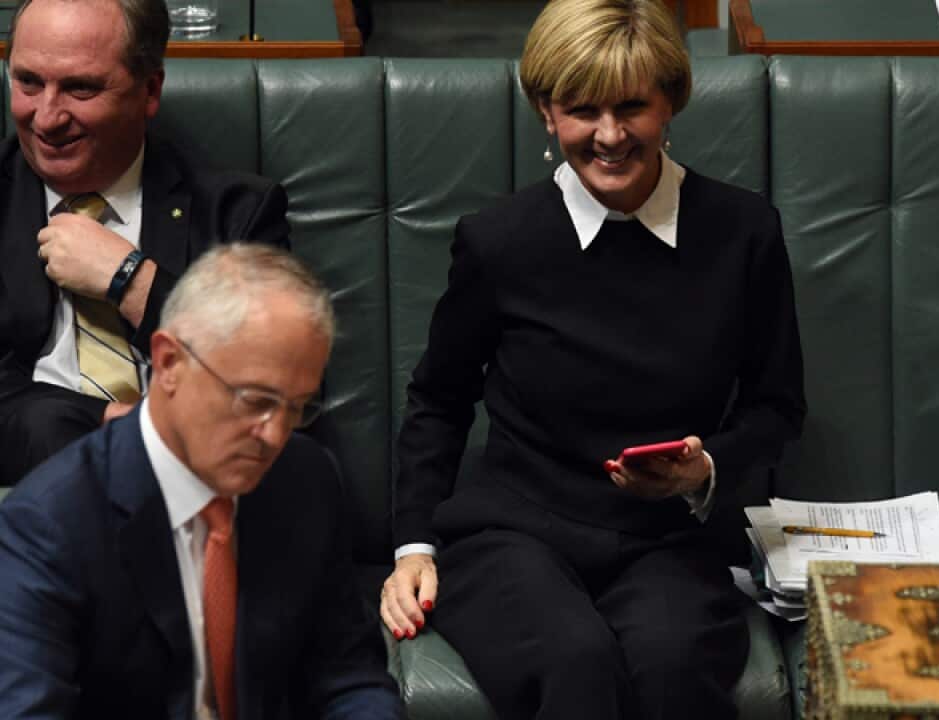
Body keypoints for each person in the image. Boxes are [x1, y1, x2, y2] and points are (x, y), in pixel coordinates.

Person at [378, 1, 806, 717]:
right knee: (575, 665)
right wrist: (413, 546)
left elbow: (778, 407)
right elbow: (439, 402)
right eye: (582, 111)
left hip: (669, 540)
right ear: (547, 113)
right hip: (512, 531)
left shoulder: (744, 232)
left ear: (670, 102)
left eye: (632, 107)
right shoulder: (498, 242)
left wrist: (704, 470)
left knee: (671, 673)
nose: (609, 136)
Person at [0, 244, 405, 719]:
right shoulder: (48, 526)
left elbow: (349, 677)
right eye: (255, 400)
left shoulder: (306, 479)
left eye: (296, 407)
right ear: (170, 363)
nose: (274, 435)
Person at [0, 0, 289, 486]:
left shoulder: (237, 212)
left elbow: (277, 382)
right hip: (39, 495)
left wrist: (133, 281)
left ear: (149, 90)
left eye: (81, 87)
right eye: (28, 82)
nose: (47, 118)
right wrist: (106, 423)